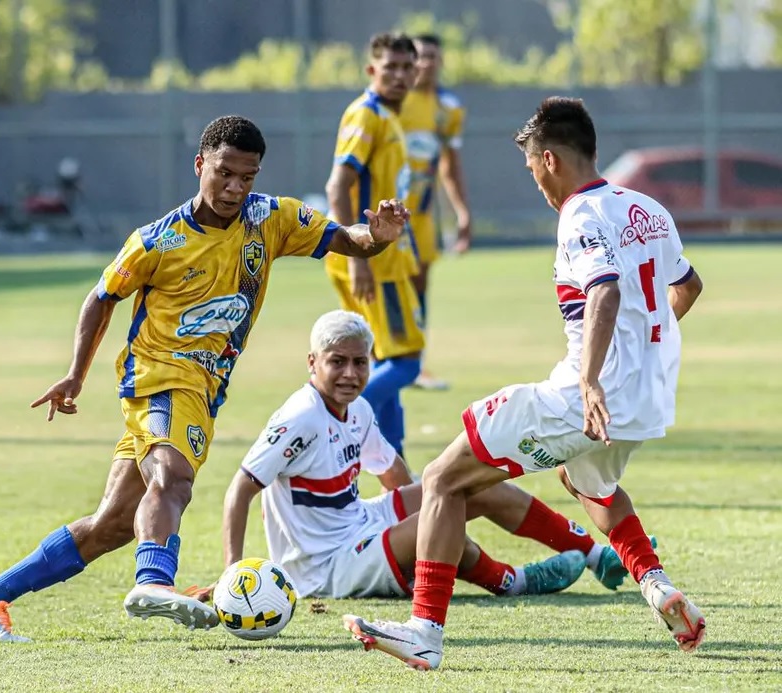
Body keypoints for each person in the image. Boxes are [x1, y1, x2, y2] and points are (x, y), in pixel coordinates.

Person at [0, 115, 412, 643]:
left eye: (248, 177)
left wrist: (375, 237)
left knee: (114, 524)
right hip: (158, 378)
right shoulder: (156, 241)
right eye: (224, 174)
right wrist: (75, 375)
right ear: (200, 166)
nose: (235, 188)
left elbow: (345, 239)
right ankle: (153, 582)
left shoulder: (271, 219)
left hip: (203, 390)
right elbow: (101, 298)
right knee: (173, 479)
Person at [342, 97, 706, 670]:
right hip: (643, 402)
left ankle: (423, 632)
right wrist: (639, 352)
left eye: (533, 165)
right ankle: (657, 585)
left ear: (553, 159)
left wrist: (589, 382)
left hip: (586, 397)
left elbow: (605, 290)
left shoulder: (580, 216)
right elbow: (688, 287)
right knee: (590, 483)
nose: (534, 177)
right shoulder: (647, 209)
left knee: (442, 479)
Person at [219, 309, 642, 602]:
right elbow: (240, 490)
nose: (350, 373)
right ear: (313, 363)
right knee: (442, 516)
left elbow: (392, 473)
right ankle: (511, 582)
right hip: (325, 567)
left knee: (467, 484)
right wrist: (232, 575)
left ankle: (594, 554)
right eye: (337, 362)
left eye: (360, 363)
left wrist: (426, 509)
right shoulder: (299, 417)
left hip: (358, 524)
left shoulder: (359, 409)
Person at [325, 32, 422, 459]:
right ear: (371, 70)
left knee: (386, 360)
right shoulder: (366, 116)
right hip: (373, 260)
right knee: (406, 362)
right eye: (390, 68)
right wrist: (357, 256)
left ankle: (394, 468)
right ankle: (333, 415)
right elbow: (338, 185)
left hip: (383, 257)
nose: (399, 76)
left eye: (407, 68)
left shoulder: (389, 115)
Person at [400, 34, 473, 391]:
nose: (426, 63)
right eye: (421, 56)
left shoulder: (448, 108)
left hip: (423, 215)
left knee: (419, 285)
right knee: (383, 284)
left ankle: (415, 364)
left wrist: (462, 211)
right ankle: (378, 358)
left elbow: (449, 164)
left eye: (433, 57)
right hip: (387, 212)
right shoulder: (393, 101)